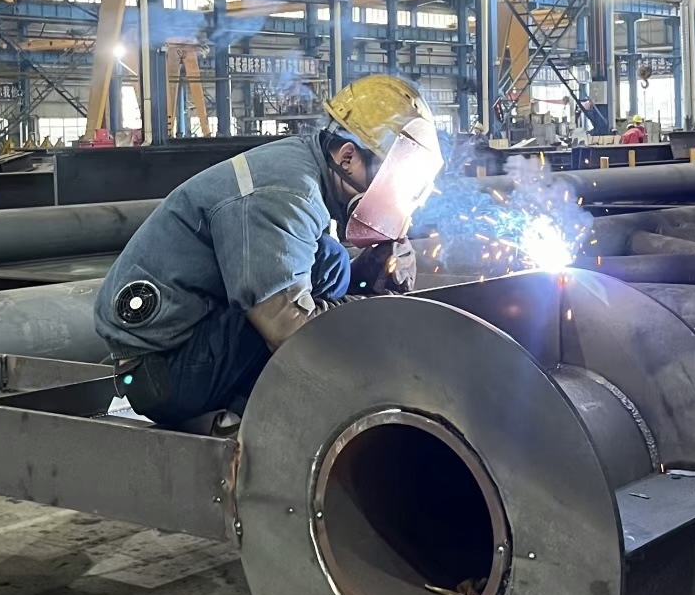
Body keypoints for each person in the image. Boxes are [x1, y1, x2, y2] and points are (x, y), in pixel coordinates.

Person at [94, 75, 442, 429]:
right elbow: (288, 331)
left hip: (189, 336)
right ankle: (244, 415)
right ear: (348, 155)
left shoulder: (306, 160)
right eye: (386, 180)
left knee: (332, 262)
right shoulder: (288, 197)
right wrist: (372, 311)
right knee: (306, 328)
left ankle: (240, 398)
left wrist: (368, 272)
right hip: (161, 375)